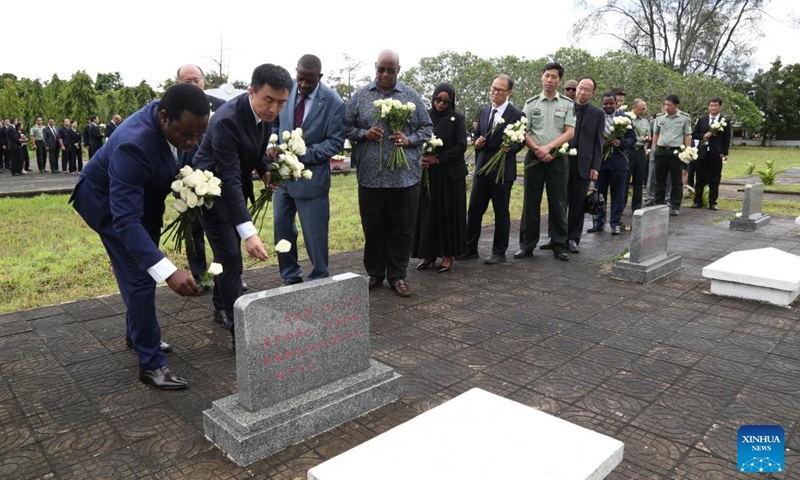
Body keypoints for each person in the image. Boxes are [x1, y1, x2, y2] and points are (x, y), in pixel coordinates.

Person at [70, 83, 209, 389]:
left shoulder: (181, 120)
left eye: (199, 135)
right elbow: (125, 221)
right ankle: (151, 364)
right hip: (105, 204)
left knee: (146, 264)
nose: (192, 142)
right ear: (162, 118)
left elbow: (183, 159)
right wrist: (168, 271)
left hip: (144, 200)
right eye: (186, 135)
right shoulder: (133, 144)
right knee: (140, 276)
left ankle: (137, 335)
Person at [192, 63, 293, 350]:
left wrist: (265, 170)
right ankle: (240, 333)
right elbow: (229, 177)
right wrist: (249, 233)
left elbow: (255, 151)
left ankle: (220, 306)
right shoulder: (226, 120)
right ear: (251, 92)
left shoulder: (266, 114)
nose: (274, 109)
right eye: (269, 100)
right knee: (231, 258)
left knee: (225, 259)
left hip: (232, 186)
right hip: (211, 191)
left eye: (281, 103)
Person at [345, 49, 432, 297]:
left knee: (402, 229)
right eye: (380, 69)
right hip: (371, 177)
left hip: (404, 178)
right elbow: (346, 127)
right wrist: (364, 133)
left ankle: (398, 276)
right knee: (373, 228)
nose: (384, 74)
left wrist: (408, 138)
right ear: (375, 67)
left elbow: (427, 128)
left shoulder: (410, 96)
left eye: (390, 70)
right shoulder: (360, 97)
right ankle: (374, 273)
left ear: (398, 70)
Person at [273, 54, 345, 286]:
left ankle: (319, 279)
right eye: (300, 78)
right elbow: (274, 121)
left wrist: (303, 154)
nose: (303, 85)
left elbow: (335, 142)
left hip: (311, 181)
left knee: (314, 235)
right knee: (281, 228)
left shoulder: (334, 103)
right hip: (282, 178)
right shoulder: (286, 90)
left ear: (320, 77)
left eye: (310, 81)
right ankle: (290, 276)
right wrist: (271, 145)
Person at [460, 74, 524, 265]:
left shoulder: (517, 115)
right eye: (493, 88)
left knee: (500, 211)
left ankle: (499, 251)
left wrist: (509, 148)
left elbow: (519, 142)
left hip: (502, 170)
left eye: (499, 90)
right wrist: (478, 141)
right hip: (482, 167)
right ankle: (469, 248)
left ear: (509, 92)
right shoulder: (484, 111)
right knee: (474, 210)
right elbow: (479, 134)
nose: (495, 92)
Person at [514, 62, 575, 262]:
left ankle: (559, 244)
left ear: (560, 80)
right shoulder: (531, 104)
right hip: (534, 157)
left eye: (554, 77)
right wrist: (538, 150)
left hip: (557, 157)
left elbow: (569, 132)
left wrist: (548, 148)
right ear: (542, 77)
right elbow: (524, 131)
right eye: (547, 76)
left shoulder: (566, 103)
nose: (549, 80)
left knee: (558, 202)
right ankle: (527, 245)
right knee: (531, 202)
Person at [176, 63, 227, 292]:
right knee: (193, 230)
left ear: (204, 81)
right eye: (187, 81)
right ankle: (200, 276)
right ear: (178, 83)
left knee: (223, 231)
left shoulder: (221, 107)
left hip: (216, 181)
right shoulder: (171, 109)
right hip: (186, 179)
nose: (194, 84)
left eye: (197, 80)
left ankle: (227, 277)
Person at [412, 83, 468, 273]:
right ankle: (429, 253)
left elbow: (461, 146)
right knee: (429, 214)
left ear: (451, 101)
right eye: (438, 99)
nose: (441, 104)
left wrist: (438, 159)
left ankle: (448, 255)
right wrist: (421, 157)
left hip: (450, 175)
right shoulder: (425, 116)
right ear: (433, 98)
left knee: (448, 214)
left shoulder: (458, 118)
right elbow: (417, 140)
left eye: (446, 101)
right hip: (430, 175)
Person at [561, 77, 603, 252]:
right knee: (559, 201)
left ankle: (572, 238)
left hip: (584, 163)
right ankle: (555, 235)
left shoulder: (598, 114)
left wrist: (595, 167)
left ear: (593, 93)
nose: (582, 92)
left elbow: (598, 142)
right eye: (580, 88)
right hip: (562, 160)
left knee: (577, 203)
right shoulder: (564, 108)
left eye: (587, 89)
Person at [590, 93, 636, 235]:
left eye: (611, 103)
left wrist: (620, 142)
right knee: (599, 194)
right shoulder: (597, 116)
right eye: (605, 103)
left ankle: (615, 223)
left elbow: (632, 139)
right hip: (601, 163)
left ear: (617, 103)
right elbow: (589, 137)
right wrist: (599, 143)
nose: (608, 106)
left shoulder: (625, 118)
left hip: (619, 163)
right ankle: (598, 222)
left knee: (618, 195)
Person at [652, 94, 692, 216]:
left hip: (676, 152)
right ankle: (658, 204)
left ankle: (675, 206)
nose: (666, 107)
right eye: (665, 105)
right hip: (661, 151)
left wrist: (687, 151)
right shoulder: (659, 118)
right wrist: (654, 150)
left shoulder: (684, 118)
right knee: (659, 180)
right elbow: (656, 134)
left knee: (677, 181)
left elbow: (687, 135)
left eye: (669, 105)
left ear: (676, 105)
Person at [691, 97, 731, 210]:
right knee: (699, 178)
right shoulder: (702, 120)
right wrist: (704, 135)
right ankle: (697, 201)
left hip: (716, 154)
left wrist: (724, 153)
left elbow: (727, 139)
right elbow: (694, 134)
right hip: (702, 153)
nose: (713, 108)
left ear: (720, 107)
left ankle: (713, 202)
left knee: (715, 179)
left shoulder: (724, 121)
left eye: (715, 105)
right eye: (711, 105)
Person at [628, 99, 651, 212]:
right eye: (642, 109)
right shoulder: (626, 118)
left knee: (639, 180)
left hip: (640, 151)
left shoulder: (645, 121)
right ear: (634, 108)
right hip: (628, 151)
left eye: (644, 108)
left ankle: (636, 207)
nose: (644, 110)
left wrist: (647, 139)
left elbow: (648, 134)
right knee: (625, 180)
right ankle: (620, 206)